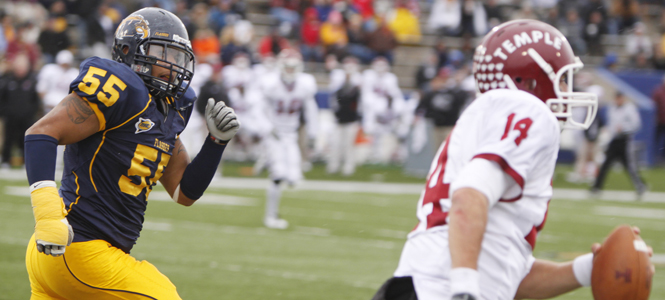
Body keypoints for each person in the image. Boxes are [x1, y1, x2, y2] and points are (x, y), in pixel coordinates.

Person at [369, 20, 639, 300]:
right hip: (441, 290)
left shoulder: (491, 115)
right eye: (561, 79)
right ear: (531, 80)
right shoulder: (529, 109)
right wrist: (464, 290)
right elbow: (470, 195)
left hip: (424, 286)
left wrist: (588, 269)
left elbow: (507, 278)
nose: (566, 90)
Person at [24, 8, 240, 299]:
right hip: (80, 247)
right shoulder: (121, 89)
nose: (173, 66)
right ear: (129, 51)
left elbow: (184, 192)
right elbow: (40, 134)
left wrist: (216, 143)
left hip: (74, 256)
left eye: (178, 57)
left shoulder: (167, 111)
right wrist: (48, 216)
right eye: (163, 53)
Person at [258, 49, 318, 229]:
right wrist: (267, 128)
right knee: (279, 174)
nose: (291, 71)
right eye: (288, 67)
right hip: (274, 134)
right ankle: (270, 216)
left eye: (294, 67)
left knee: (294, 178)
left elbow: (311, 111)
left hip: (291, 135)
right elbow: (259, 108)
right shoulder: (270, 83)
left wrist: (313, 134)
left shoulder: (305, 85)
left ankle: (273, 213)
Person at [591, 91, 647, 198]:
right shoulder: (612, 107)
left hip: (625, 140)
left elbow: (636, 125)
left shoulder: (630, 108)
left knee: (630, 166)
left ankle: (640, 186)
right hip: (614, 140)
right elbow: (611, 123)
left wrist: (624, 128)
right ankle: (596, 188)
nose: (618, 100)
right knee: (605, 164)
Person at [0, 53, 40, 168]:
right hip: (10, 116)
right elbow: (2, 99)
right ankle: (6, 161)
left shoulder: (32, 80)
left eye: (23, 65)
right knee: (8, 139)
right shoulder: (7, 80)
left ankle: (26, 162)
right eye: (19, 65)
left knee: (26, 140)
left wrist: (31, 112)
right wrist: (5, 112)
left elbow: (35, 100)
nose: (21, 68)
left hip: (27, 117)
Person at [327, 56, 362, 176]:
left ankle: (349, 167)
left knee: (349, 145)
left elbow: (359, 102)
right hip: (339, 119)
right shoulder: (338, 83)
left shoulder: (358, 85)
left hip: (351, 119)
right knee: (335, 143)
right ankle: (334, 165)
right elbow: (335, 98)